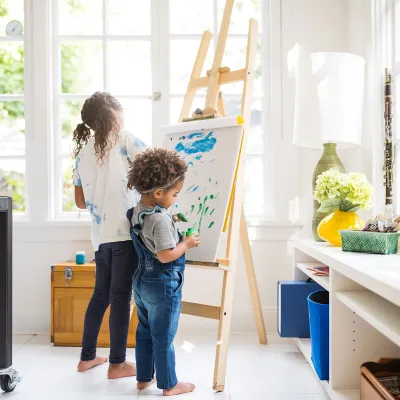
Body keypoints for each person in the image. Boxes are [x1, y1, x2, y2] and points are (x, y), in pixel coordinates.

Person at [73, 91, 147, 379]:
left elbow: (80, 202)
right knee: (121, 298)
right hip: (125, 234)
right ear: (114, 114)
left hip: (101, 237)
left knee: (100, 297)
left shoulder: (82, 153)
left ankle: (86, 357)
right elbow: (155, 169)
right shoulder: (125, 139)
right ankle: (117, 363)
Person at [126, 148, 199, 396]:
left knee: (145, 331)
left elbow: (150, 232)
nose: (176, 199)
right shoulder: (161, 221)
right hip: (162, 283)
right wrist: (186, 244)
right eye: (174, 194)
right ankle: (169, 384)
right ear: (158, 193)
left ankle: (143, 377)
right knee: (163, 336)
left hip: (141, 282)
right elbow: (166, 255)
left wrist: (170, 218)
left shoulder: (139, 210)